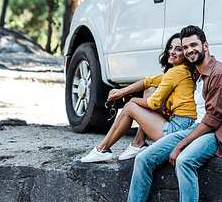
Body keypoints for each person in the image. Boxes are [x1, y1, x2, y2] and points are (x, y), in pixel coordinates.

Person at [99, 25, 222, 202]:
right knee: (143, 159)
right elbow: (161, 84)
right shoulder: (197, 71)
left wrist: (180, 145)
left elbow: (212, 121)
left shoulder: (219, 74)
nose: (188, 50)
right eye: (185, 47)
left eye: (193, 45)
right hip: (195, 127)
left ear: (205, 46)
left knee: (185, 161)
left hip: (219, 131)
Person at [81, 33, 199, 163]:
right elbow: (148, 81)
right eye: (170, 47)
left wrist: (132, 101)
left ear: (186, 53)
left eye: (178, 49)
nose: (171, 52)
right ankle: (138, 143)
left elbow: (154, 103)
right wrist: (122, 92)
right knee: (150, 89)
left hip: (178, 131)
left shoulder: (175, 72)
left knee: (130, 107)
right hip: (186, 126)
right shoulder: (183, 70)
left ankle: (102, 149)